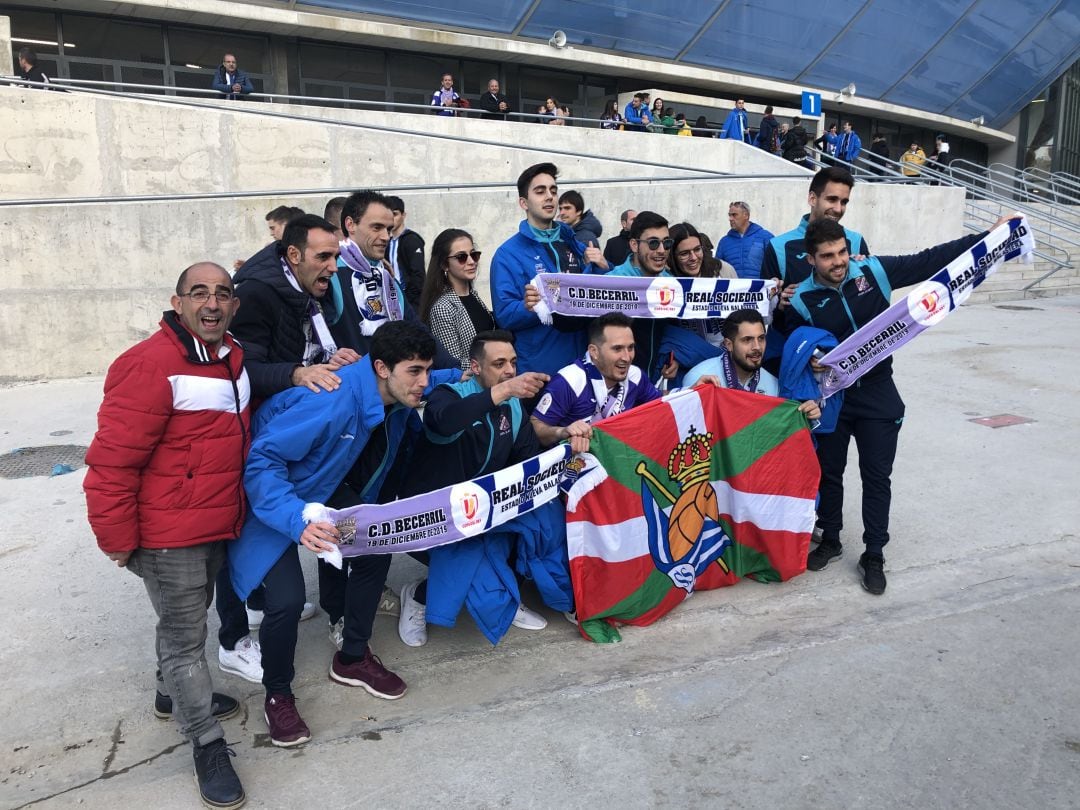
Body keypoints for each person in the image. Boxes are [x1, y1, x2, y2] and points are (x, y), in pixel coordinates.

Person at [85, 263, 249, 809]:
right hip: (166, 535)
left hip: (212, 524)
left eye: (222, 293)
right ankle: (206, 742)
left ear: (234, 305)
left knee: (189, 616)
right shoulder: (149, 366)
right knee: (185, 640)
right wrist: (116, 538)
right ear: (176, 303)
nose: (211, 302)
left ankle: (168, 694)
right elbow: (111, 463)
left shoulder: (231, 358)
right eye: (198, 293)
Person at [229, 321, 438, 746]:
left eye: (428, 371)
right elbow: (262, 462)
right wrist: (298, 521)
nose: (424, 383)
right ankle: (278, 696)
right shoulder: (332, 402)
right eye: (415, 372)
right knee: (285, 601)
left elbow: (438, 379)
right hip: (270, 497)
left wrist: (477, 377)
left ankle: (353, 658)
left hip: (315, 485)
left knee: (377, 543)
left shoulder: (381, 387)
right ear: (381, 367)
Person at [787, 214, 1018, 594]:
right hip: (832, 396)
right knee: (829, 471)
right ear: (811, 259)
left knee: (877, 477)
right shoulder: (800, 300)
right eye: (827, 256)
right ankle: (830, 537)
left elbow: (930, 259)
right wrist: (808, 353)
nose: (838, 261)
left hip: (878, 392)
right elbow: (788, 341)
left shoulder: (873, 271)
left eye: (842, 252)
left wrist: (989, 237)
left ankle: (874, 553)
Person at [397, 330, 551, 646]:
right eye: (499, 364)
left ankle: (507, 596)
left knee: (541, 523)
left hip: (484, 510)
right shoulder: (447, 394)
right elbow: (444, 421)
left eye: (513, 362)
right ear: (476, 367)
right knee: (468, 567)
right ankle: (418, 597)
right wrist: (501, 392)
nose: (509, 371)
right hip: (431, 516)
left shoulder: (515, 405)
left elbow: (527, 459)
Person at [489, 162, 600, 377]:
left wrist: (603, 268)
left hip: (585, 366)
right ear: (524, 203)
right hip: (542, 371)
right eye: (540, 192)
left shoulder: (575, 244)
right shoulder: (507, 254)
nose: (549, 196)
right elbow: (504, 315)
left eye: (553, 190)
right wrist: (534, 306)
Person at [531, 312, 663, 451]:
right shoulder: (569, 381)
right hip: (572, 467)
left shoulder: (635, 375)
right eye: (617, 349)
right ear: (594, 351)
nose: (627, 357)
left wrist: (687, 392)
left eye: (630, 348)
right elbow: (535, 427)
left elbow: (661, 403)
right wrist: (563, 431)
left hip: (614, 461)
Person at [607, 211, 679, 381]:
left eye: (666, 243)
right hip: (617, 387)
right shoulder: (611, 282)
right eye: (653, 243)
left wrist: (673, 358)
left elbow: (671, 330)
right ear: (634, 245)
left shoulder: (671, 283)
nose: (662, 250)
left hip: (653, 381)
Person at [418, 228, 495, 369]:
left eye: (474, 254)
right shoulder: (443, 308)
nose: (471, 261)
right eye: (461, 257)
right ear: (444, 264)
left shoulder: (473, 295)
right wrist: (491, 364)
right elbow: (453, 364)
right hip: (471, 387)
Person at [385, 195, 426, 309]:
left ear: (403, 215)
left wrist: (409, 301)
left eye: (395, 214)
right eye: (388, 215)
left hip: (410, 302)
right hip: (392, 300)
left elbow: (418, 274)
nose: (392, 219)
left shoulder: (412, 240)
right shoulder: (386, 241)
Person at [717, 201, 774, 280]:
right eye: (729, 215)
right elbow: (717, 270)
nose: (730, 219)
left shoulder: (765, 237)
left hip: (760, 290)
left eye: (734, 215)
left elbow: (776, 265)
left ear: (746, 215)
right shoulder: (724, 242)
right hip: (733, 291)